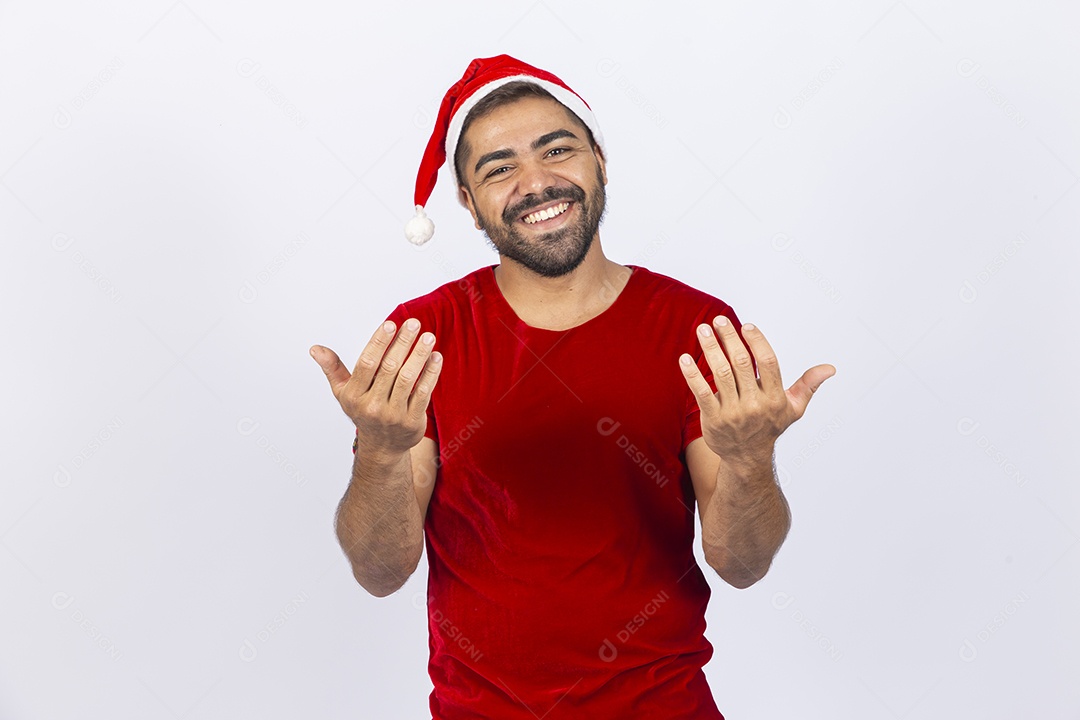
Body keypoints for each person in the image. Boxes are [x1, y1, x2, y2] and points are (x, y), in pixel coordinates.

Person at [310, 54, 835, 720]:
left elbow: (742, 563)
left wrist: (750, 457)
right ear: (469, 204)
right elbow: (379, 572)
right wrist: (382, 454)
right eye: (498, 168)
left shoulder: (697, 331)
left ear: (601, 162)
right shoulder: (422, 339)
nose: (535, 182)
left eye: (557, 150)